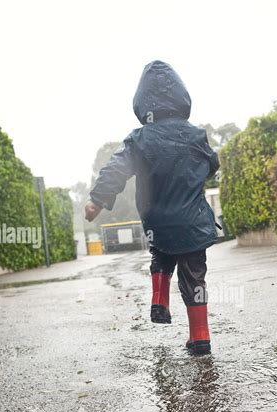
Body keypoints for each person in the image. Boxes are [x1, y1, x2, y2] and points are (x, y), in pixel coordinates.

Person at [85, 60, 220, 355]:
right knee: (194, 275)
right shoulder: (196, 136)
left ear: (142, 101)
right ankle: (200, 336)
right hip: (192, 221)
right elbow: (213, 163)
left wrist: (97, 200)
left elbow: (116, 168)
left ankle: (159, 299)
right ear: (182, 99)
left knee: (161, 254)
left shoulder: (139, 139)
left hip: (158, 221)